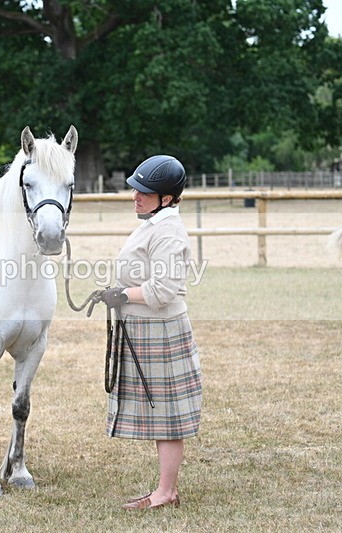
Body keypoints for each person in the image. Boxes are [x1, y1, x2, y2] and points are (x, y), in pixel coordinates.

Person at [98, 154, 203, 511]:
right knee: (162, 412)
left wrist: (123, 294)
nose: (136, 196)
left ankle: (166, 492)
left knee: (167, 414)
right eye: (136, 189)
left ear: (168, 198)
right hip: (143, 329)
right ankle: (165, 489)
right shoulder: (153, 224)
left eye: (146, 192)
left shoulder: (169, 231)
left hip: (159, 329)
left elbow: (163, 290)